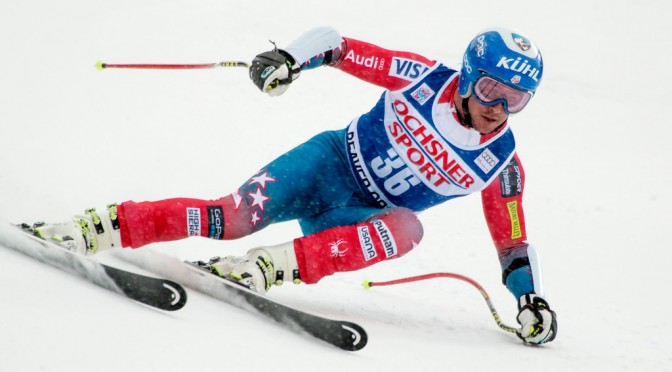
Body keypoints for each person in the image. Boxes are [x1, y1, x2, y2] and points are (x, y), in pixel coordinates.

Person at [28, 26, 557, 344]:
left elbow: (511, 241)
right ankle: (94, 227)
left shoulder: (500, 163)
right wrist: (288, 60)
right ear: (468, 77)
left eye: (516, 99)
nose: (498, 109)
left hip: (349, 221)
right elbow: (339, 45)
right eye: (491, 90)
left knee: (407, 229)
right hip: (326, 165)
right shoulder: (422, 77)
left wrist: (529, 299)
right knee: (229, 218)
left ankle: (265, 268)